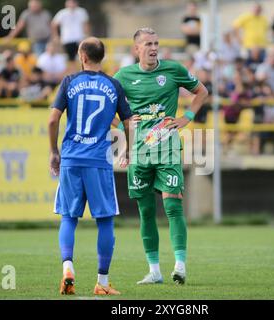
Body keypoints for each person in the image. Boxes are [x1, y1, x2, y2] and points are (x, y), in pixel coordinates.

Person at [114, 27, 208, 285]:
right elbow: (109, 105)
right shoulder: (123, 76)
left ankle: (180, 266)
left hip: (167, 147)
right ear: (136, 49)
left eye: (156, 43)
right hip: (139, 151)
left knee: (172, 205)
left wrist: (186, 118)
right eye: (147, 44)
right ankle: (154, 271)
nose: (153, 48)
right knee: (146, 212)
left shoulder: (173, 70)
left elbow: (202, 92)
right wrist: (123, 127)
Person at [48, 37, 133, 295]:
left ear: (82, 56)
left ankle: (67, 267)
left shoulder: (69, 82)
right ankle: (102, 283)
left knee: (69, 217)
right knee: (105, 220)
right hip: (99, 160)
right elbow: (129, 123)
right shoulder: (113, 84)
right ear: (101, 57)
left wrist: (54, 152)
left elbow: (52, 120)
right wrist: (127, 149)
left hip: (72, 158)